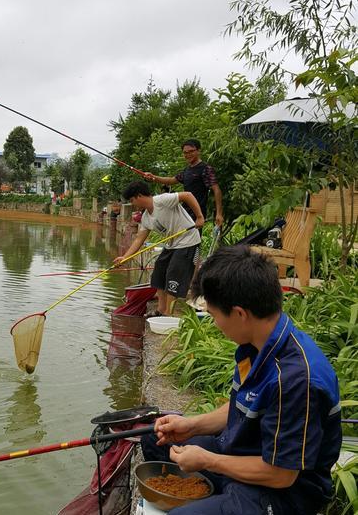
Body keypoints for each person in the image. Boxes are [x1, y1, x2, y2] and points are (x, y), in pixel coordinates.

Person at [141, 245, 342, 515]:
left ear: (239, 313)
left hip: (282, 492)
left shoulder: (295, 380)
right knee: (155, 440)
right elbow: (242, 405)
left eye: (213, 315)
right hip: (245, 453)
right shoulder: (258, 343)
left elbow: (282, 475)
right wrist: (191, 425)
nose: (214, 324)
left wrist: (209, 460)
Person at [114, 181, 204, 316]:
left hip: (188, 241)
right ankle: (161, 309)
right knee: (158, 272)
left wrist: (199, 217)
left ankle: (168, 313)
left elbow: (188, 195)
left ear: (139, 196)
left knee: (174, 275)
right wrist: (125, 257)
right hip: (172, 244)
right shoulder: (146, 218)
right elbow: (139, 238)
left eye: (132, 200)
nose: (133, 204)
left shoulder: (162, 200)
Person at [144, 139, 223, 227]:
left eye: (191, 151)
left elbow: (216, 190)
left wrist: (219, 213)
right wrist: (153, 177)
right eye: (185, 152)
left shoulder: (205, 169)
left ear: (198, 151)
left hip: (197, 214)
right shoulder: (187, 170)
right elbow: (171, 180)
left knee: (193, 239)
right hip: (184, 212)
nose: (188, 155)